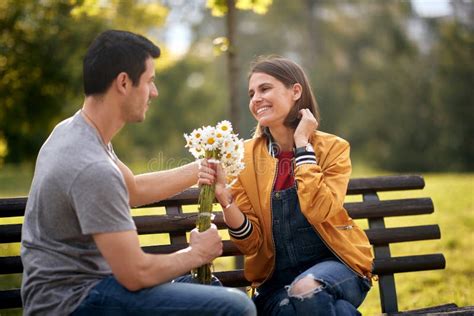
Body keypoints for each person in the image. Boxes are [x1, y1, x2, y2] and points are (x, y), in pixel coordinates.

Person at [20, 30, 256, 316]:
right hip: (74, 302)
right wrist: (197, 254)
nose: (154, 92)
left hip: (89, 288)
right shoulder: (91, 167)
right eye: (149, 81)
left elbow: (132, 190)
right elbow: (135, 274)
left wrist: (201, 169)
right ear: (123, 82)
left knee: (210, 291)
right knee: (237, 307)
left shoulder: (75, 131)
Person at [200, 56, 374, 315]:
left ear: (295, 91)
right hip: (276, 283)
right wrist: (226, 200)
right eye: (251, 93)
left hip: (337, 268)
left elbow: (319, 210)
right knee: (309, 309)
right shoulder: (243, 157)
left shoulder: (333, 148)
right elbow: (252, 244)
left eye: (265, 88)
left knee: (307, 289)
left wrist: (302, 144)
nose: (256, 99)